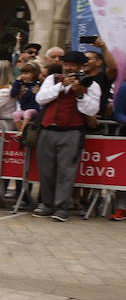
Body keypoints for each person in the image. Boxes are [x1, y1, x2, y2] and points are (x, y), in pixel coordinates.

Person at [32, 50, 100, 222]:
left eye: (73, 65)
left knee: (66, 171)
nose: (69, 68)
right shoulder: (53, 79)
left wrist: (79, 93)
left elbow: (92, 110)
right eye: (67, 64)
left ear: (80, 67)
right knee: (46, 170)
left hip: (72, 131)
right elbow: (41, 99)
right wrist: (61, 86)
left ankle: (62, 207)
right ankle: (46, 204)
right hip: (48, 129)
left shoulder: (90, 84)